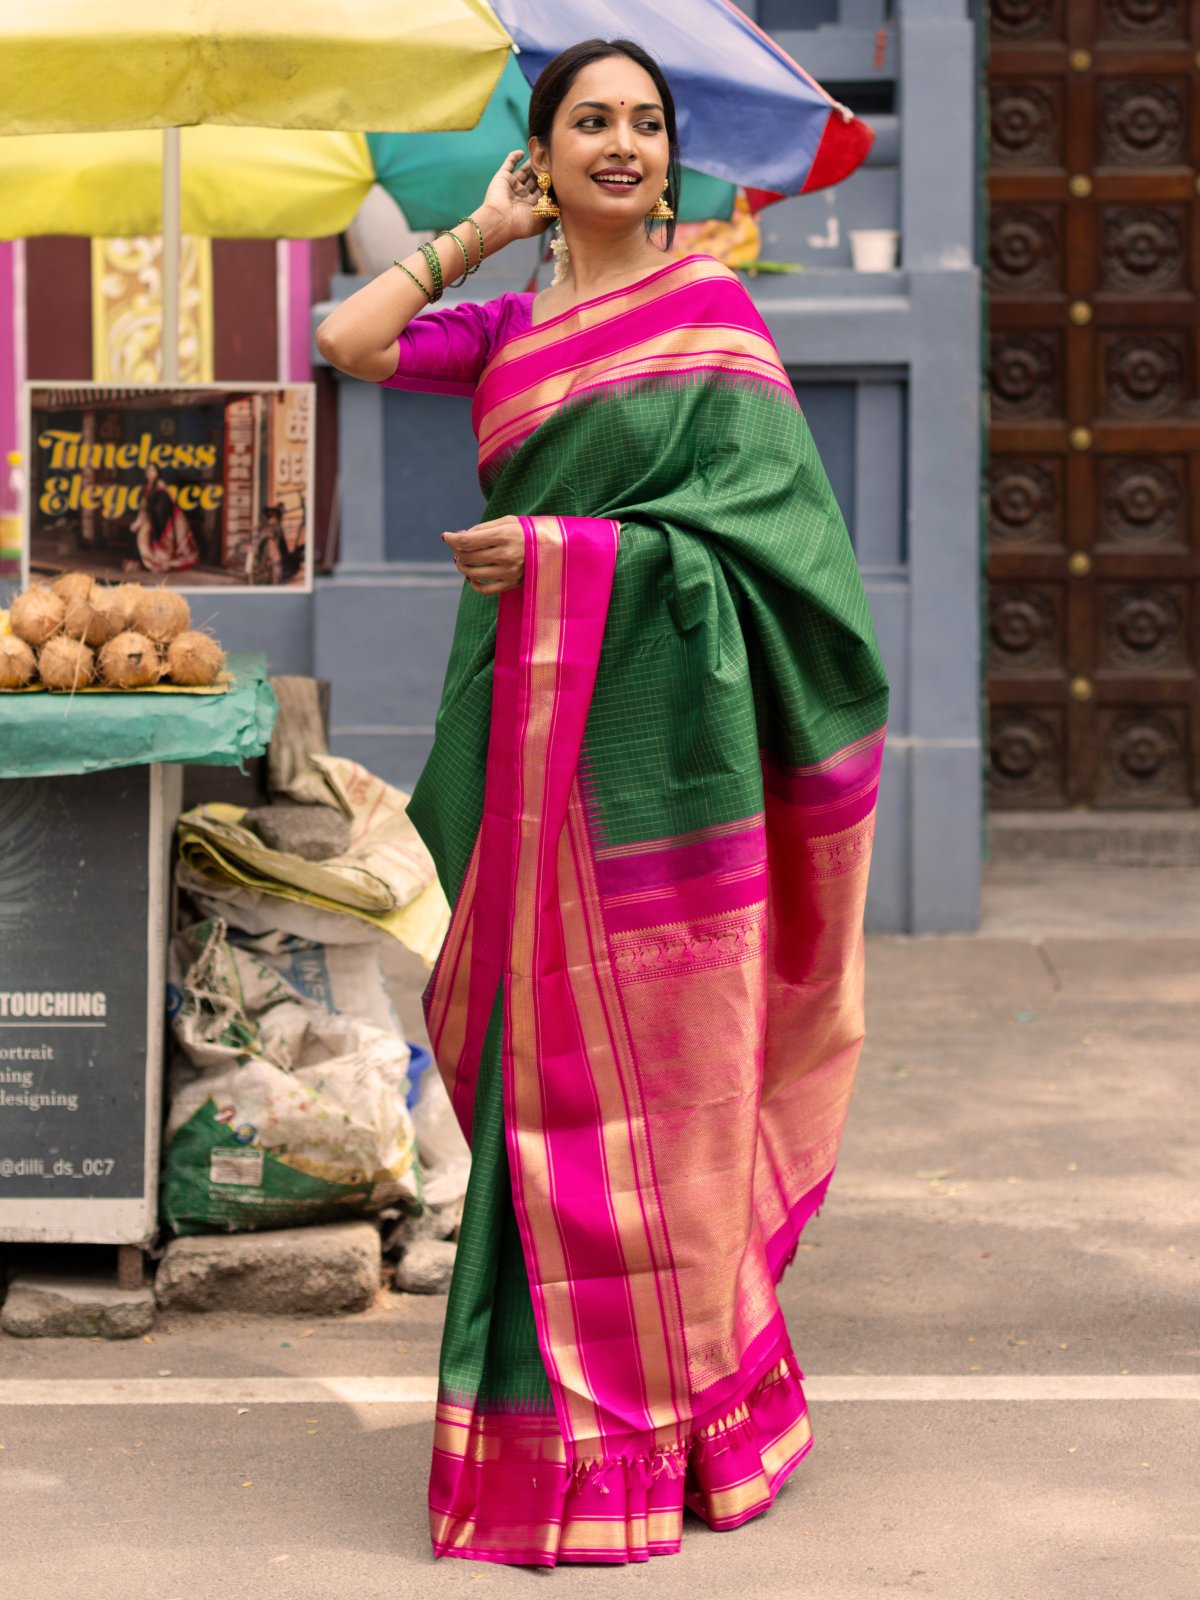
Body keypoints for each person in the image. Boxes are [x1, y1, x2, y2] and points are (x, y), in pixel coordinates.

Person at [317, 37, 889, 1569]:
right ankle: (551, 1440)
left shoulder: (710, 314)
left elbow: (789, 559)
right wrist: (478, 235)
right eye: (592, 123)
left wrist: (576, 553)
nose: (622, 145)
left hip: (668, 779)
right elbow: (349, 336)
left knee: (678, 1098)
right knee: (532, 1092)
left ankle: (691, 1430)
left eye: (646, 123)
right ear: (547, 150)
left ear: (671, 154)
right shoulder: (503, 324)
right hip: (536, 760)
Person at [125, 461, 199, 575]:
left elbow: (164, 507)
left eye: (152, 470)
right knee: (135, 529)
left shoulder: (160, 486)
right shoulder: (145, 488)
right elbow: (143, 508)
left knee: (143, 533)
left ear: (157, 473)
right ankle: (136, 561)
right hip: (148, 517)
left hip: (161, 519)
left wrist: (152, 521)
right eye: (148, 470)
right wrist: (138, 521)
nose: (150, 472)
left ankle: (151, 560)